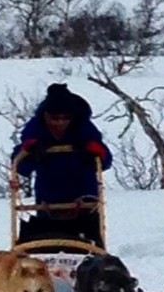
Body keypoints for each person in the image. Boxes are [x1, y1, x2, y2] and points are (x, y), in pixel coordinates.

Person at [11, 83, 112, 245]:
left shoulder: (85, 128)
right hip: (48, 199)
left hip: (84, 196)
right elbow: (20, 167)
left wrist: (96, 151)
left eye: (65, 118)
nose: (60, 123)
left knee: (87, 245)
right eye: (55, 119)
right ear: (45, 115)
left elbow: (105, 162)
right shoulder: (35, 129)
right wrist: (29, 153)